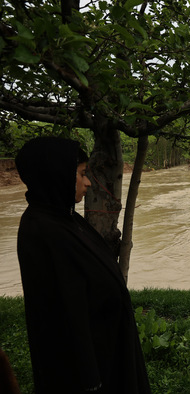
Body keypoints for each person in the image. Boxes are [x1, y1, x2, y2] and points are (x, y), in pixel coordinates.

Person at [16, 137, 151, 393]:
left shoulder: (63, 217)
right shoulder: (43, 231)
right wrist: (90, 380)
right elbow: (60, 316)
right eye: (80, 174)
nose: (88, 182)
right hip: (92, 366)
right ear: (56, 176)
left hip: (109, 348)